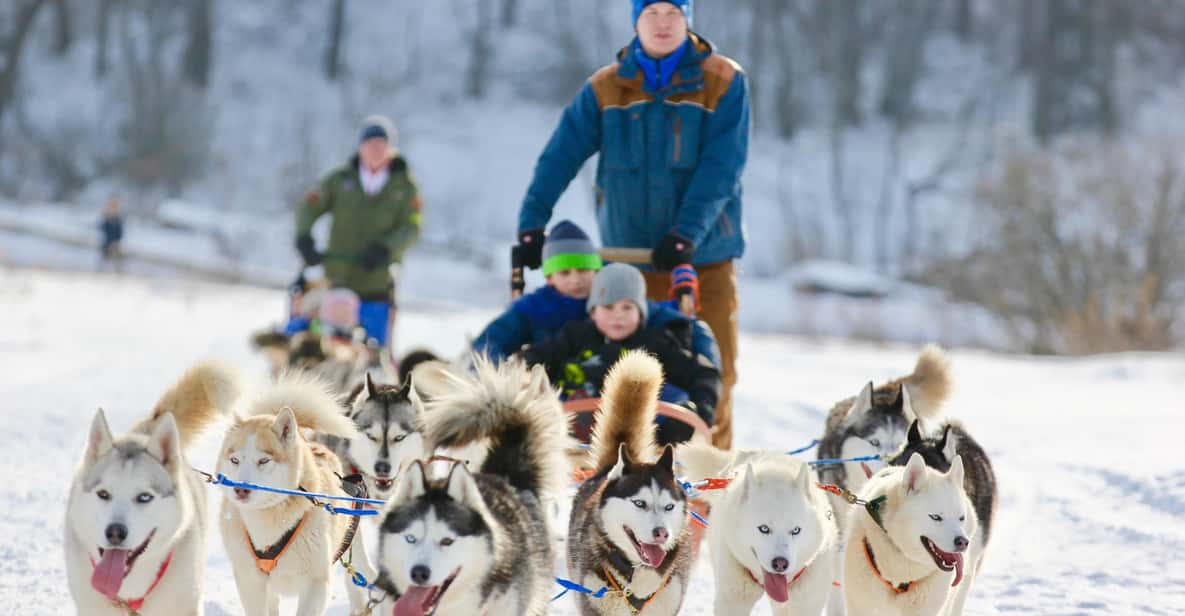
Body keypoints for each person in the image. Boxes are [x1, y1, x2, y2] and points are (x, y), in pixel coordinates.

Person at [514, 0, 748, 449]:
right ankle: (630, 481)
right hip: (627, 268)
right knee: (623, 378)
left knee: (712, 374)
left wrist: (685, 236)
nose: (662, 24)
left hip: (704, 259)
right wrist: (532, 223)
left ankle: (710, 484)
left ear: (688, 19)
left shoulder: (722, 81)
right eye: (651, 14)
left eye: (673, 13)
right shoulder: (605, 88)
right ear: (635, 21)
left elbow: (723, 167)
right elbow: (560, 155)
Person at [522, 263, 720, 444]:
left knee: (673, 398)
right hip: (573, 429)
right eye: (608, 307)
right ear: (593, 312)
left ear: (640, 313)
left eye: (627, 307)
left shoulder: (654, 342)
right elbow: (536, 360)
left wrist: (702, 408)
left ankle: (667, 439)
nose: (618, 315)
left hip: (644, 437)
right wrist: (525, 375)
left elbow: (701, 373)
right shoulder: (574, 336)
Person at [294, 115, 422, 359]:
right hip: (338, 278)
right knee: (327, 348)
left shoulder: (405, 187)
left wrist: (387, 249)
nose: (375, 150)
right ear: (360, 147)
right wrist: (304, 237)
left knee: (371, 353)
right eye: (370, 144)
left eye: (381, 145)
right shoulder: (340, 180)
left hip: (377, 282)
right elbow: (309, 207)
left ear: (390, 149)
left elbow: (412, 226)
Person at [98, 196, 124, 271]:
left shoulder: (118, 219)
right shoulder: (107, 218)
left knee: (115, 260)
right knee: (105, 258)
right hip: (107, 241)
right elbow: (102, 228)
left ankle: (116, 271)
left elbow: (120, 232)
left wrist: (116, 241)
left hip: (115, 242)